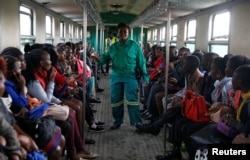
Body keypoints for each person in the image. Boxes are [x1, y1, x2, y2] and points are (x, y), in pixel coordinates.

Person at [92, 22, 149, 130]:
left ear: (128, 33)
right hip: (116, 76)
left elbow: (141, 61)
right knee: (116, 99)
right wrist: (97, 59)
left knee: (132, 99)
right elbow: (104, 58)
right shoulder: (113, 47)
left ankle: (137, 122)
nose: (123, 33)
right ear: (117, 33)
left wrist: (145, 75)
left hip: (130, 76)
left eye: (125, 31)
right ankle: (117, 121)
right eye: (120, 31)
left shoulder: (134, 45)